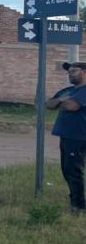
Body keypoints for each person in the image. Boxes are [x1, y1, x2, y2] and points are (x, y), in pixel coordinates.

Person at [47, 61, 86, 214]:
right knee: (67, 169)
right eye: (69, 71)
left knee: (73, 170)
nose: (70, 73)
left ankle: (79, 206)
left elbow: (73, 106)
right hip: (66, 135)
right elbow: (49, 104)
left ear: (84, 72)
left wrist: (62, 102)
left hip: (79, 137)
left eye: (74, 71)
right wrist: (62, 100)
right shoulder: (68, 90)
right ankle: (76, 202)